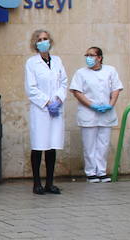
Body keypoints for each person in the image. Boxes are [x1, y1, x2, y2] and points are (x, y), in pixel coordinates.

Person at [70, 46, 124, 183]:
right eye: (87, 55)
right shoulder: (81, 73)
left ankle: (101, 171)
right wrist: (91, 105)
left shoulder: (110, 70)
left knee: (103, 144)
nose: (88, 58)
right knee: (89, 145)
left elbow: (116, 88)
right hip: (88, 113)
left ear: (99, 57)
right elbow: (77, 91)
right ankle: (91, 172)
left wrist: (110, 105)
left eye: (91, 55)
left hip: (106, 113)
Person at [24, 29, 67, 195]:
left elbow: (64, 82)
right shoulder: (31, 63)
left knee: (52, 146)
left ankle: (50, 183)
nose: (43, 41)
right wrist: (47, 102)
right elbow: (31, 88)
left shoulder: (57, 61)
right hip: (41, 110)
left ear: (50, 41)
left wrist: (57, 99)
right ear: (35, 43)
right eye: (40, 39)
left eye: (46, 39)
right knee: (38, 145)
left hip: (55, 108)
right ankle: (37, 184)